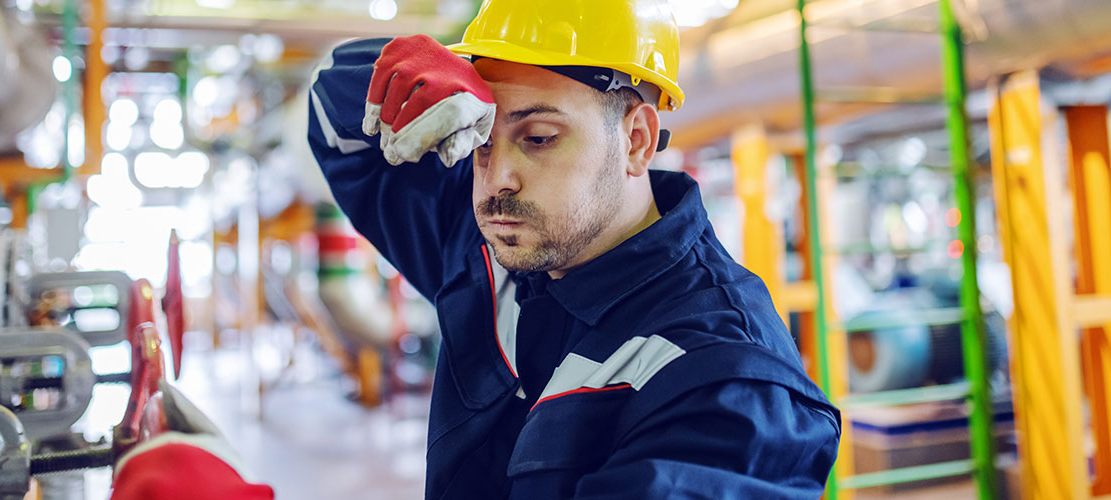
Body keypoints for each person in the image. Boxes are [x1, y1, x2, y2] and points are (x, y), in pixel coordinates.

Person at [111, 1, 839, 498]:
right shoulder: (499, 246)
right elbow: (338, 118)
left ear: (638, 140)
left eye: (540, 137)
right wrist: (396, 75)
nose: (496, 175)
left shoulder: (728, 382)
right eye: (482, 139)